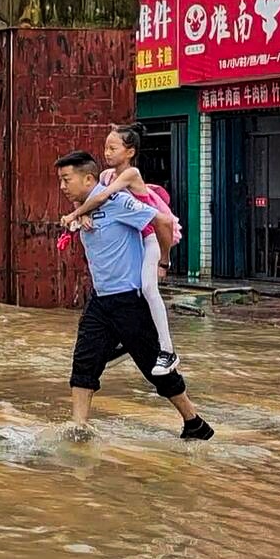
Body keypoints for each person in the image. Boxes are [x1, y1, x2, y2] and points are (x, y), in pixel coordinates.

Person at [55, 150, 212, 441]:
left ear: (88, 178)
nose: (62, 187)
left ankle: (194, 422)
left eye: (67, 180)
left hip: (130, 300)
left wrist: (163, 262)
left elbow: (163, 222)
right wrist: (81, 212)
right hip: (101, 301)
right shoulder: (86, 205)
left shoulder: (117, 201)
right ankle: (78, 427)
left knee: (155, 368)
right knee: (84, 361)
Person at [61, 124, 181, 376]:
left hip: (150, 238)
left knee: (148, 288)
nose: (106, 153)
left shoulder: (131, 174)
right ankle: (124, 342)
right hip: (136, 236)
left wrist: (164, 262)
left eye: (113, 148)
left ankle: (168, 351)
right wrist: (82, 213)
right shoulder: (105, 175)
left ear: (130, 152)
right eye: (105, 147)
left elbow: (102, 198)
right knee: (130, 297)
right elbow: (87, 196)